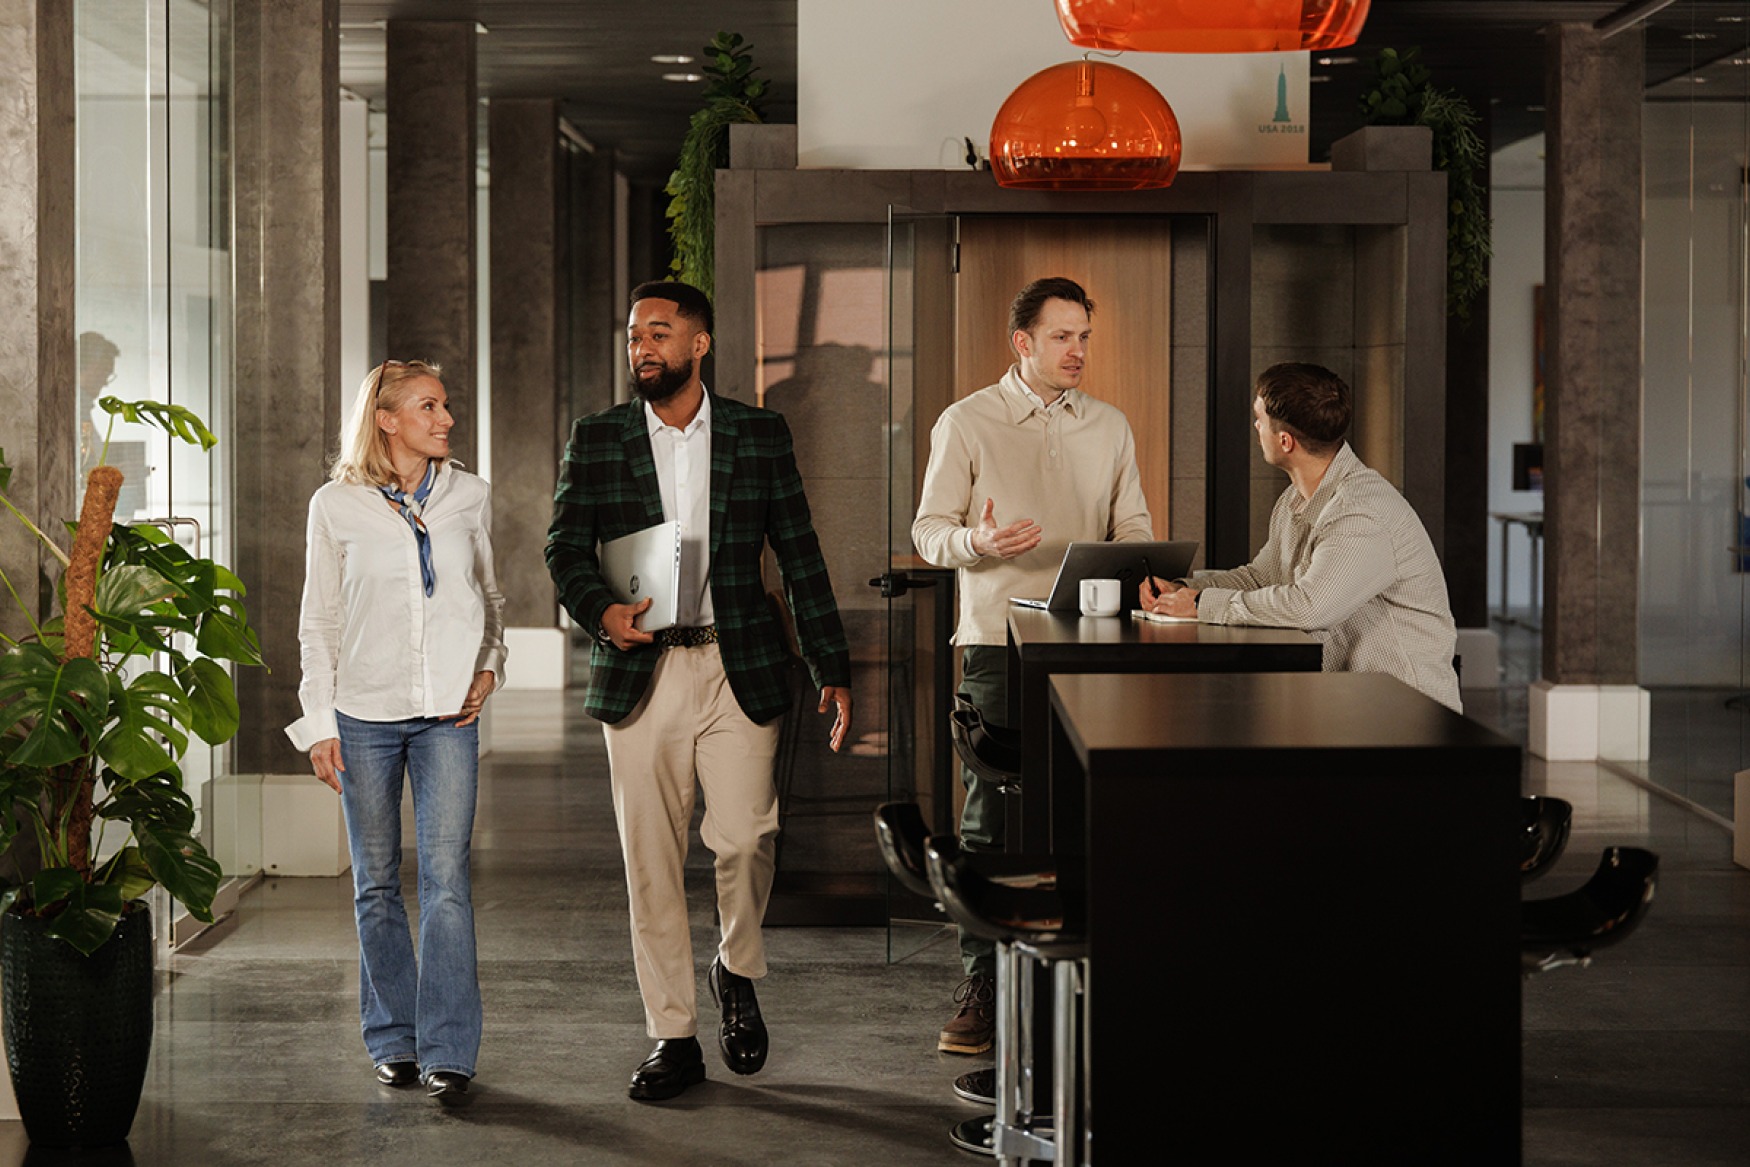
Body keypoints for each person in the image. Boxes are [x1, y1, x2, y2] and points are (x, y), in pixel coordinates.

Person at [545, 280, 853, 1102]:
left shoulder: (757, 433)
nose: (641, 346)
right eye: (633, 334)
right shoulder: (598, 438)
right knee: (650, 859)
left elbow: (799, 551)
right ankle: (673, 1034)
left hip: (736, 663)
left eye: (658, 332)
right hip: (639, 671)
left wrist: (830, 663)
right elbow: (564, 548)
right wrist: (601, 610)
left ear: (699, 344)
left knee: (749, 836)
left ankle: (735, 966)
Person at [912, 277, 1152, 1058]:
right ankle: (983, 982)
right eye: (1062, 336)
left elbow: (1133, 525)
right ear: (1023, 343)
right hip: (996, 644)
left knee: (1090, 808)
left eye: (1084, 336)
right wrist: (976, 543)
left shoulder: (1110, 425)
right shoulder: (966, 421)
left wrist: (1143, 561)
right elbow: (928, 532)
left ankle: (1080, 979)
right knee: (991, 814)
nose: (1078, 350)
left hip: (1093, 645)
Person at [286, 359, 505, 1106]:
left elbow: (490, 596)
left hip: (447, 715)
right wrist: (319, 722)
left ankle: (450, 1051)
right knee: (376, 883)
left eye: (445, 405)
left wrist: (490, 666)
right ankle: (393, 1040)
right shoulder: (334, 505)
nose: (447, 419)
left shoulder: (469, 494)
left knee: (447, 882)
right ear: (386, 420)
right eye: (429, 407)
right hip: (363, 714)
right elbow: (318, 621)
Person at [1140, 361, 1461, 712]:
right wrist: (1183, 590)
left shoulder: (1359, 512)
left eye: (1259, 419)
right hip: (1350, 705)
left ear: (1285, 441)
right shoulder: (1295, 498)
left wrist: (1202, 604)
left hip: (1405, 715)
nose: (1256, 426)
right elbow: (1260, 577)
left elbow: (1310, 607)